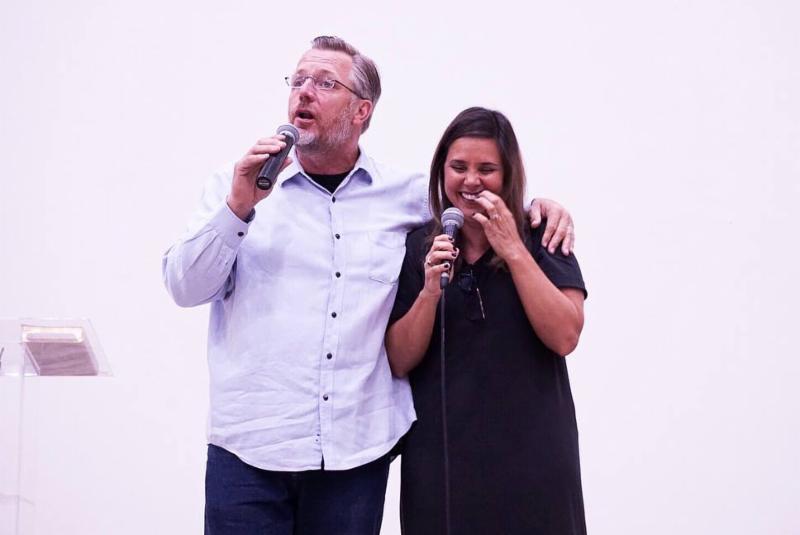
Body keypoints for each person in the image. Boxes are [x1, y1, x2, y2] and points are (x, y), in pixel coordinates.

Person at [162, 37, 576, 535]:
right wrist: (237, 207)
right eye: (298, 80)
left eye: (325, 83)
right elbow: (184, 288)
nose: (304, 92)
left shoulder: (403, 196)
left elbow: (472, 200)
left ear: (362, 110)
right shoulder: (237, 186)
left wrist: (539, 208)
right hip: (250, 451)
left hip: (354, 457)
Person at [386, 107, 588, 534]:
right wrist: (429, 291)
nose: (471, 181)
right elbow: (399, 360)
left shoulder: (543, 236)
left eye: (487, 169)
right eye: (458, 167)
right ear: (441, 171)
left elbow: (565, 335)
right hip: (441, 466)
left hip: (534, 463)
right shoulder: (419, 246)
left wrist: (513, 249)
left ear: (508, 174)